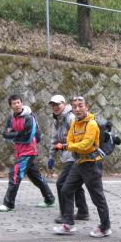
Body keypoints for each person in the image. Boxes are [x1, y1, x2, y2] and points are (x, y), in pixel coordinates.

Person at [52, 96, 111, 238]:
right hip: (79, 163)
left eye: (80, 106)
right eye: (75, 106)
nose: (77, 109)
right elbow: (70, 139)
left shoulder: (91, 124)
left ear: (87, 107)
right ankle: (68, 224)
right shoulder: (75, 123)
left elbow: (86, 145)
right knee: (66, 189)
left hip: (91, 164)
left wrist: (67, 146)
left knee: (97, 197)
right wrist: (70, 145)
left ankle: (105, 227)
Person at [0, 94, 55, 212]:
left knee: (15, 174)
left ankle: (8, 204)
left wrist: (14, 135)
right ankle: (49, 199)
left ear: (22, 103)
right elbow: (5, 134)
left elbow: (28, 138)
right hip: (20, 151)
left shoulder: (29, 118)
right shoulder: (11, 118)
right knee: (36, 178)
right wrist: (18, 134)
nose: (17, 105)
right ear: (11, 106)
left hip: (29, 151)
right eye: (14, 103)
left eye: (19, 102)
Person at [47, 95, 89, 223]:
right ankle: (82, 212)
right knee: (75, 185)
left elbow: (80, 135)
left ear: (64, 104)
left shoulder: (70, 117)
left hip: (74, 155)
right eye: (53, 105)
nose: (55, 107)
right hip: (67, 156)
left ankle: (65, 214)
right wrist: (51, 157)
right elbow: (54, 140)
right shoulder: (57, 121)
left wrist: (77, 150)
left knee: (61, 183)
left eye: (58, 104)